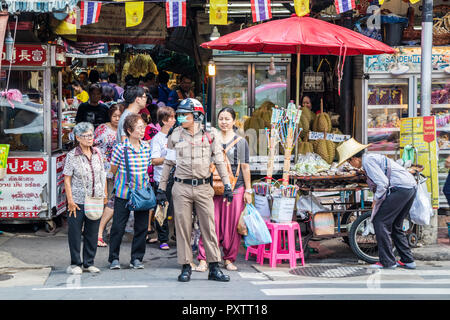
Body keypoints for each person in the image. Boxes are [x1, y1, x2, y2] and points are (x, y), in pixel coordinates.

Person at [156, 98, 233, 282]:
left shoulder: (210, 134)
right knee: (183, 228)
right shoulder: (175, 135)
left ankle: (214, 267)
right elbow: (168, 163)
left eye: (185, 115)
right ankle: (185, 267)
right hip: (181, 187)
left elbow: (219, 161)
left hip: (204, 188)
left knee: (209, 228)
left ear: (197, 115)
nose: (181, 118)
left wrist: (227, 185)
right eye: (179, 114)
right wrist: (161, 188)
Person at [337, 138, 418, 270]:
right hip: (409, 187)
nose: (350, 165)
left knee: (380, 222)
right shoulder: (370, 159)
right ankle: (408, 260)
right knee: (396, 225)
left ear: (354, 159)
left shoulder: (368, 161)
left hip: (401, 188)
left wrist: (376, 200)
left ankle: (388, 261)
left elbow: (382, 183)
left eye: (349, 161)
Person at [196, 107, 252, 272]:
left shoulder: (241, 142)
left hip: (236, 188)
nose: (224, 122)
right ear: (217, 120)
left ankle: (229, 259)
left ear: (234, 121)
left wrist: (248, 191)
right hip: (212, 188)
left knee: (232, 227)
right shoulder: (210, 139)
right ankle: (204, 258)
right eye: (221, 118)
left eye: (227, 119)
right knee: (209, 223)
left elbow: (245, 167)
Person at [108, 114, 153, 270]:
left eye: (143, 127)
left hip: (142, 194)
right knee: (118, 227)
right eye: (139, 127)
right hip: (123, 193)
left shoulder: (147, 146)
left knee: (141, 228)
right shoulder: (120, 148)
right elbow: (112, 170)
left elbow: (147, 167)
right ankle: (114, 258)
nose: (142, 130)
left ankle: (137, 258)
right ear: (129, 130)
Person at [63, 122, 107, 274]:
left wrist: (104, 194)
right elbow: (67, 179)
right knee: (75, 232)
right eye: (86, 136)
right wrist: (70, 200)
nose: (90, 138)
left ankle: (89, 263)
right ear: (77, 138)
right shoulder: (72, 156)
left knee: (92, 232)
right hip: (77, 200)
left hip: (95, 198)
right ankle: (76, 264)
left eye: (91, 135)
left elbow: (102, 174)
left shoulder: (97, 152)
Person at [94, 104, 124, 247]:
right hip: (102, 168)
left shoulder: (124, 130)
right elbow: (93, 145)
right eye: (114, 116)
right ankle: (96, 230)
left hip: (117, 169)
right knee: (102, 199)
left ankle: (110, 230)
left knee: (113, 200)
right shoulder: (102, 128)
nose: (117, 119)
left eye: (120, 116)